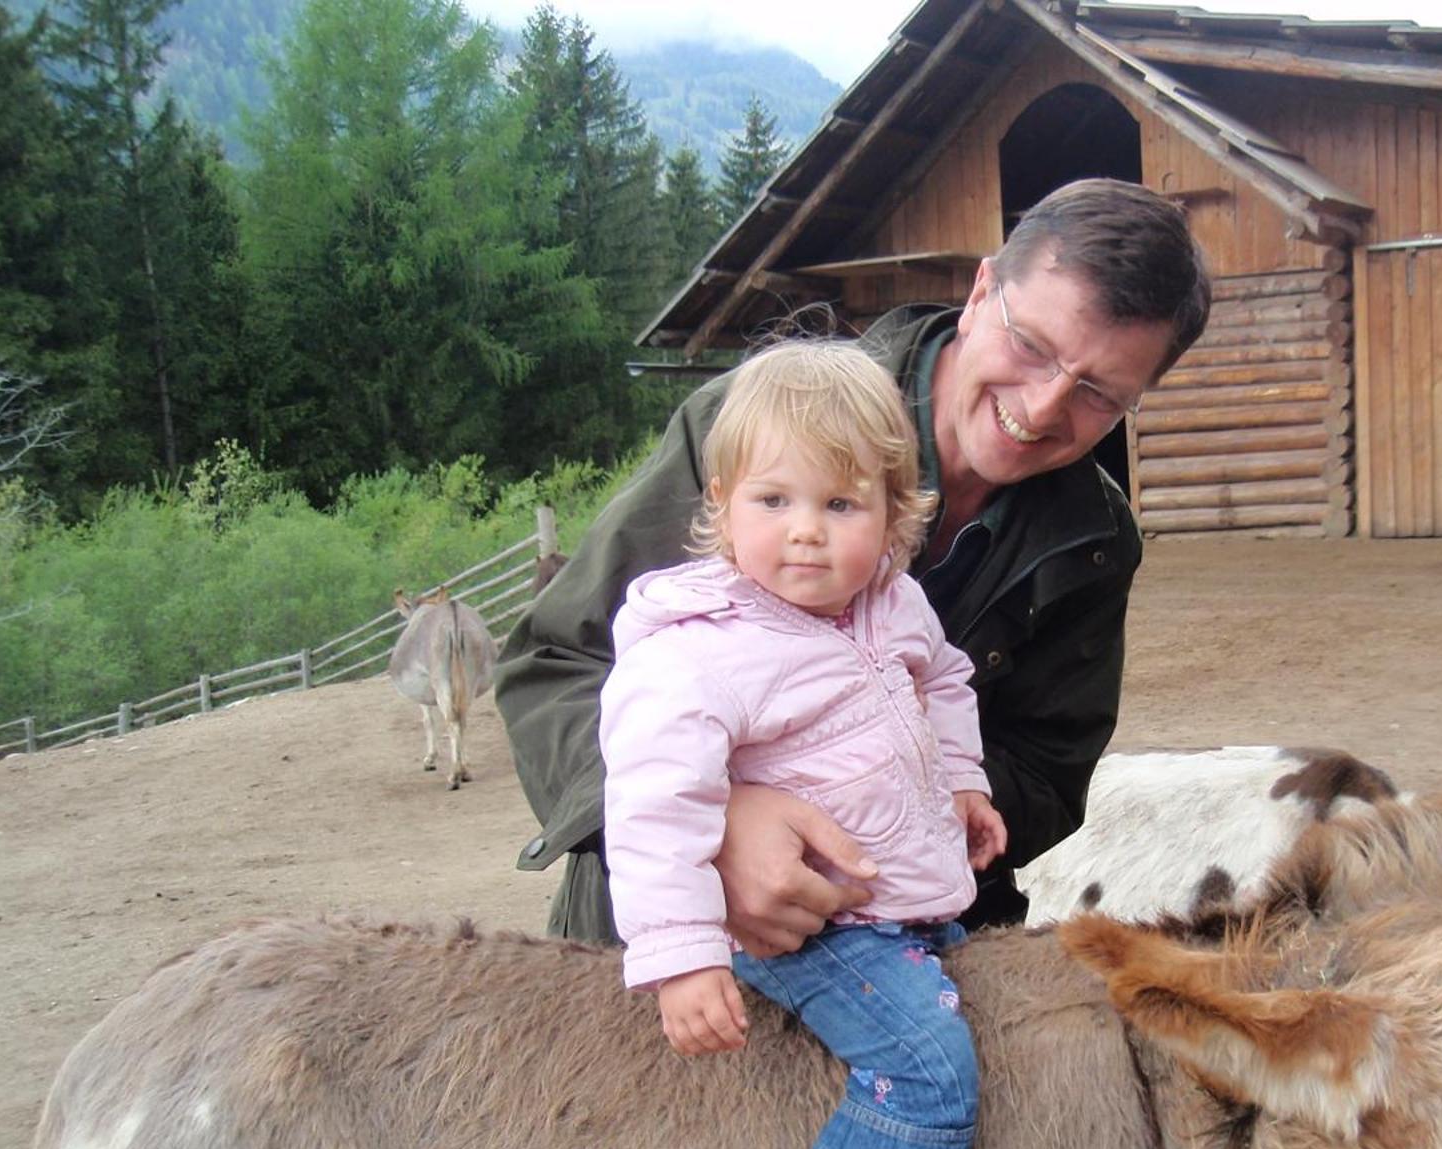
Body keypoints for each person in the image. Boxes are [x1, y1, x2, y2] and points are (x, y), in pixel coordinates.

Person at [496, 177, 1211, 949]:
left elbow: (1044, 769)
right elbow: (556, 662)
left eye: (1100, 394)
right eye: (1032, 346)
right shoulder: (761, 424)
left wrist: (878, 812)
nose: (1041, 409)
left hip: (909, 955)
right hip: (666, 959)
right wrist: (718, 829)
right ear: (980, 293)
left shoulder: (1097, 539)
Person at [601, 338, 1022, 1149]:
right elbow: (653, 803)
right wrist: (684, 955)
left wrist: (963, 783)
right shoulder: (696, 647)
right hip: (806, 926)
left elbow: (946, 684)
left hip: (901, 902)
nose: (804, 533)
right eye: (774, 501)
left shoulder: (893, 605)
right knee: (927, 1064)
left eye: (840, 506)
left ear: (893, 513)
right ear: (720, 500)